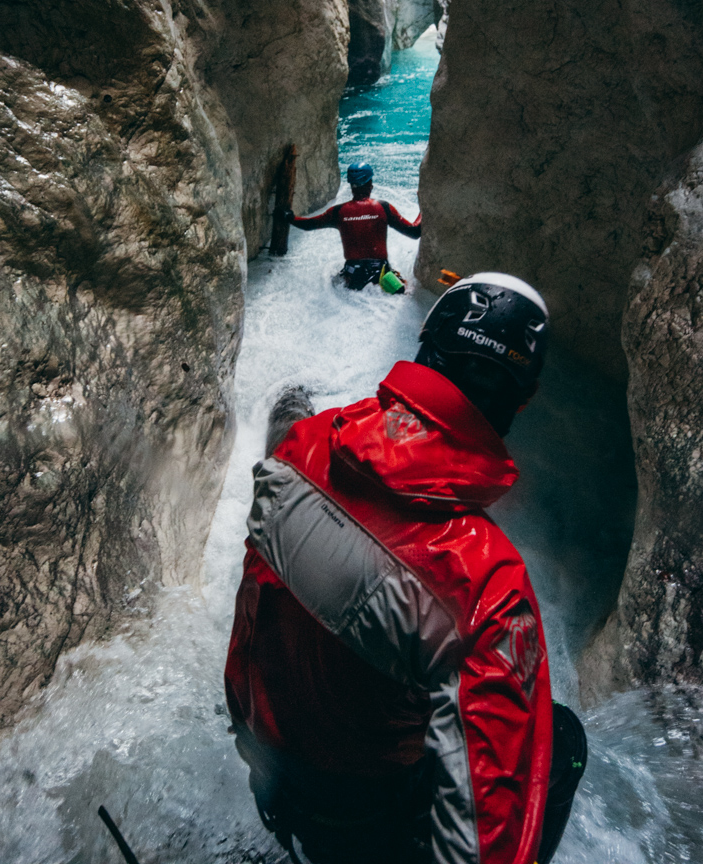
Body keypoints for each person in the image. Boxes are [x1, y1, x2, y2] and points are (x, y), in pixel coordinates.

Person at [225, 273, 587, 864]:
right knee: (564, 737)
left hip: (269, 770)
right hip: (366, 820)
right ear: (518, 404)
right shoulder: (484, 578)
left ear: (423, 351)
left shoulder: (304, 444)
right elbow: (483, 829)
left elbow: (252, 605)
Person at [283, 161, 420, 291]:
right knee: (405, 289)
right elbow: (414, 232)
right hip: (381, 276)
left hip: (353, 276)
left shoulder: (337, 212)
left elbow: (309, 225)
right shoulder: (383, 208)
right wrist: (424, 210)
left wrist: (290, 217)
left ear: (351, 185)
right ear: (370, 183)